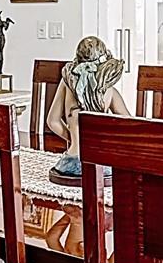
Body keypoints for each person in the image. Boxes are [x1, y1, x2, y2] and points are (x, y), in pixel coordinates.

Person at [44, 35, 130, 181]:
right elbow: (128, 124)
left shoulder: (67, 84)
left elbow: (52, 121)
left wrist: (74, 140)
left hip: (71, 163)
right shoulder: (108, 89)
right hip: (100, 162)